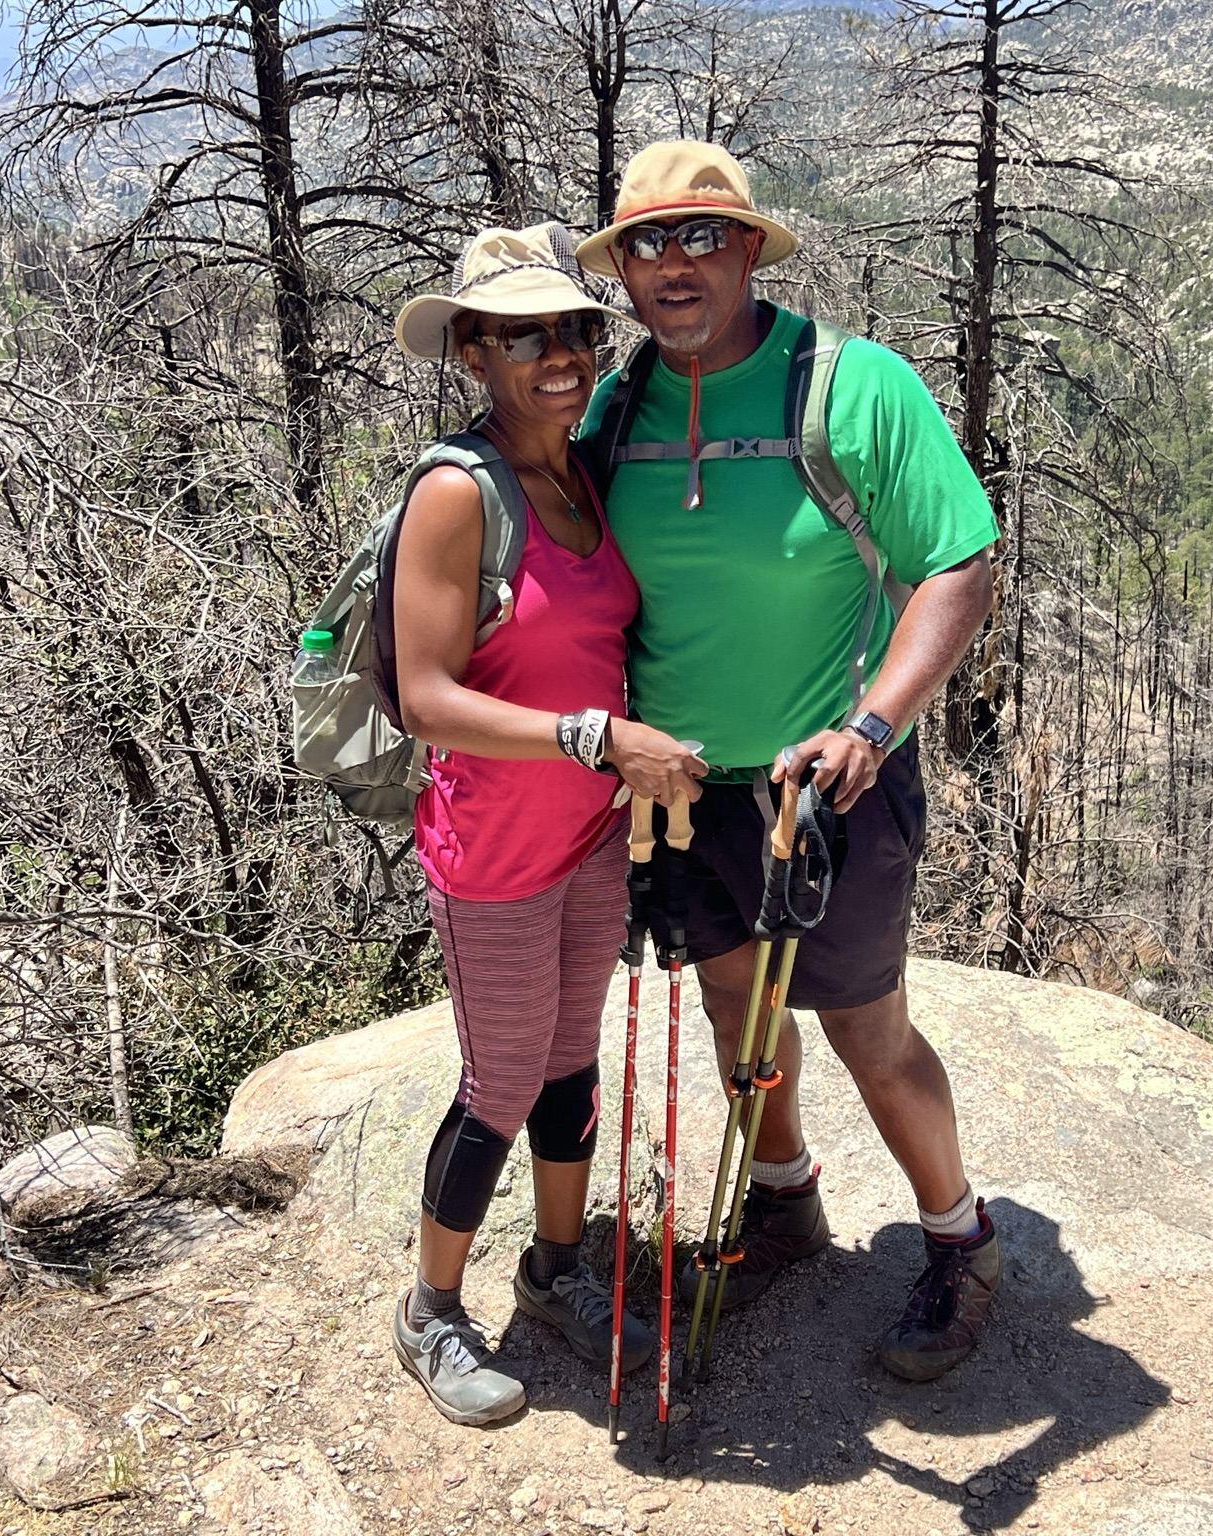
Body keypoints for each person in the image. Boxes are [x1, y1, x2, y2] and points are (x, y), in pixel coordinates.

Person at [576, 142, 1002, 1381]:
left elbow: (958, 564)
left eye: (703, 236)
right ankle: (785, 1200)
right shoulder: (614, 408)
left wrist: (873, 726)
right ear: (623, 271)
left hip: (829, 788)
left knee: (867, 1026)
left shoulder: (854, 388)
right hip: (684, 791)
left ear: (751, 249)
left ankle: (961, 1239)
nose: (675, 264)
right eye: (647, 243)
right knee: (732, 1007)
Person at [387, 222, 706, 1425]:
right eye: (524, 338)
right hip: (496, 850)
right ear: (473, 352)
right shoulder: (454, 494)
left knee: (572, 1059)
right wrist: (596, 738)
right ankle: (430, 1309)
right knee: (505, 1076)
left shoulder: (579, 472)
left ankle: (557, 1269)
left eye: (573, 330)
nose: (560, 355)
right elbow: (428, 696)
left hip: (586, 837)